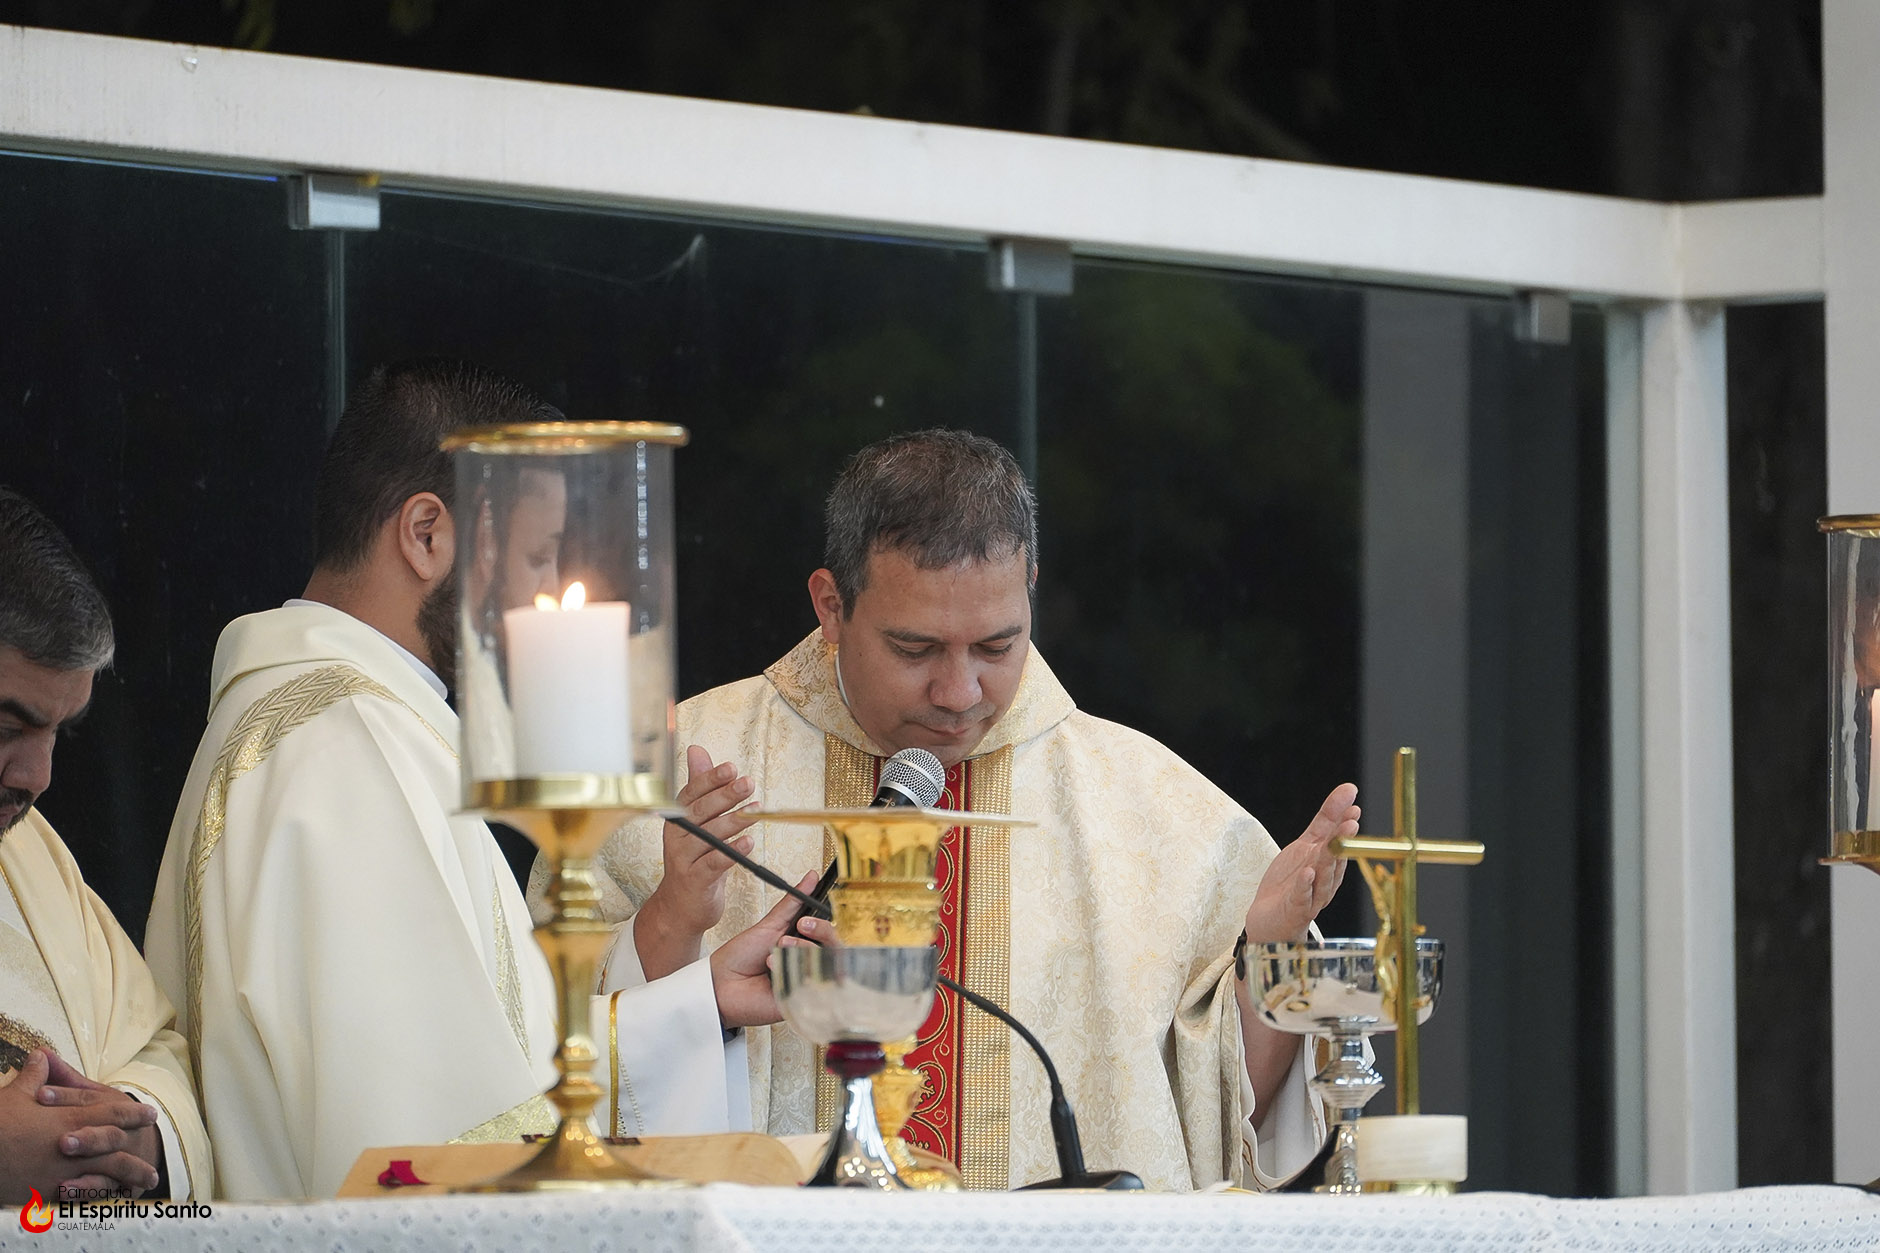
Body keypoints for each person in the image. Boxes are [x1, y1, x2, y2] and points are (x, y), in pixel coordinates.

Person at [578, 428, 1356, 1192]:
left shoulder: (1162, 815)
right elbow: (539, 1074)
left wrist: (1270, 956)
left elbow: (1225, 1119)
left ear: (1030, 591)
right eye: (915, 649)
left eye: (995, 647)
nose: (958, 693)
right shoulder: (673, 772)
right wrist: (671, 920)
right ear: (831, 605)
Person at [143, 360, 804, 1200]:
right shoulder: (348, 746)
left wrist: (696, 999)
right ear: (426, 533)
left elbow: (492, 1065)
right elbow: (441, 1149)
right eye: (537, 556)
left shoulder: (324, 720)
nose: (546, 599)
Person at [0, 488, 211, 1204]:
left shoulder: (31, 856)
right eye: (8, 727)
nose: (37, 777)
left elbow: (153, 1048)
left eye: (58, 732)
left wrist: (132, 1135)